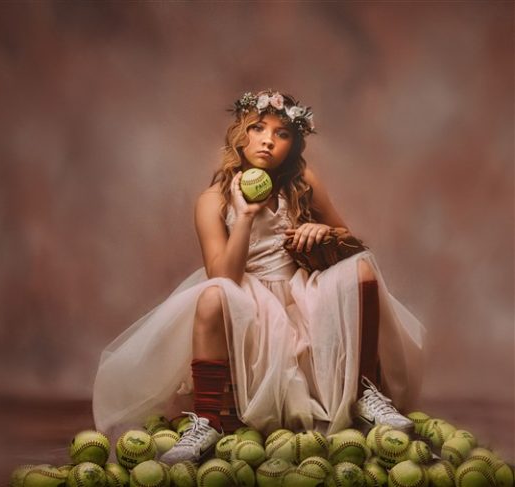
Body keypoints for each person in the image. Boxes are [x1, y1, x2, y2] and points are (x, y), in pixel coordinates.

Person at [91, 89, 425, 464]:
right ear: (241, 134)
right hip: (247, 298)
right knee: (212, 295)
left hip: (301, 293)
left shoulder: (302, 182)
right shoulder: (213, 199)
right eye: (258, 128)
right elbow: (223, 277)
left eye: (282, 133)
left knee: (362, 268)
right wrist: (245, 216)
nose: (268, 140)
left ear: (293, 143)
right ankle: (207, 421)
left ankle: (364, 393)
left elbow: (350, 239)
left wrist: (322, 234)